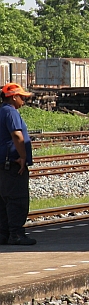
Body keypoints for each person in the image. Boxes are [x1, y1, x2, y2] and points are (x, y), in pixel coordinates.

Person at [0, 83, 35, 246]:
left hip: (2, 163)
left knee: (3, 200)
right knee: (17, 199)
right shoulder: (10, 112)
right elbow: (17, 135)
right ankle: (16, 234)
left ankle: (4, 234)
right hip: (12, 163)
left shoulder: (1, 111)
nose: (24, 100)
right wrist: (23, 157)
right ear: (13, 97)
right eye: (22, 97)